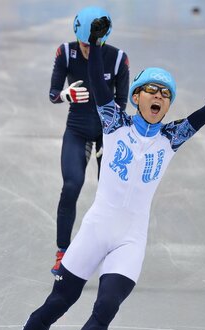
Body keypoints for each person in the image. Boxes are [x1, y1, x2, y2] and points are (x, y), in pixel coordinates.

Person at [0, 16, 205, 330]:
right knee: (58, 302)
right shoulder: (114, 122)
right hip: (97, 229)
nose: (159, 97)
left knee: (106, 306)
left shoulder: (172, 137)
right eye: (152, 90)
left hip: (130, 240)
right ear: (137, 97)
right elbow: (97, 83)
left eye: (166, 93)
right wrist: (95, 44)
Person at [50, 6, 129, 271]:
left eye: (92, 44)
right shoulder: (65, 52)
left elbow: (121, 103)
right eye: (83, 44)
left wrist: (109, 140)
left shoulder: (118, 58)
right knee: (72, 186)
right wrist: (65, 96)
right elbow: (52, 94)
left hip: (107, 133)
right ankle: (63, 251)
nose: (87, 49)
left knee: (111, 194)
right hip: (77, 129)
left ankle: (112, 253)